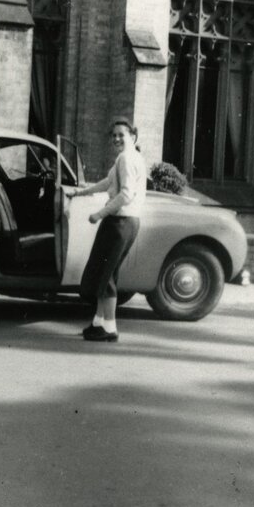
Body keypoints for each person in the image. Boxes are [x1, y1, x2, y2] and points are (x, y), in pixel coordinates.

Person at [65, 118, 147, 342]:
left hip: (119, 222)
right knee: (104, 273)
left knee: (106, 275)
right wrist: (82, 192)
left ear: (133, 136)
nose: (117, 138)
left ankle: (110, 329)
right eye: (114, 135)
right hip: (125, 222)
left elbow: (126, 194)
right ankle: (98, 322)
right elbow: (108, 183)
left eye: (122, 134)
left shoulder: (127, 159)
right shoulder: (130, 158)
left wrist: (99, 214)